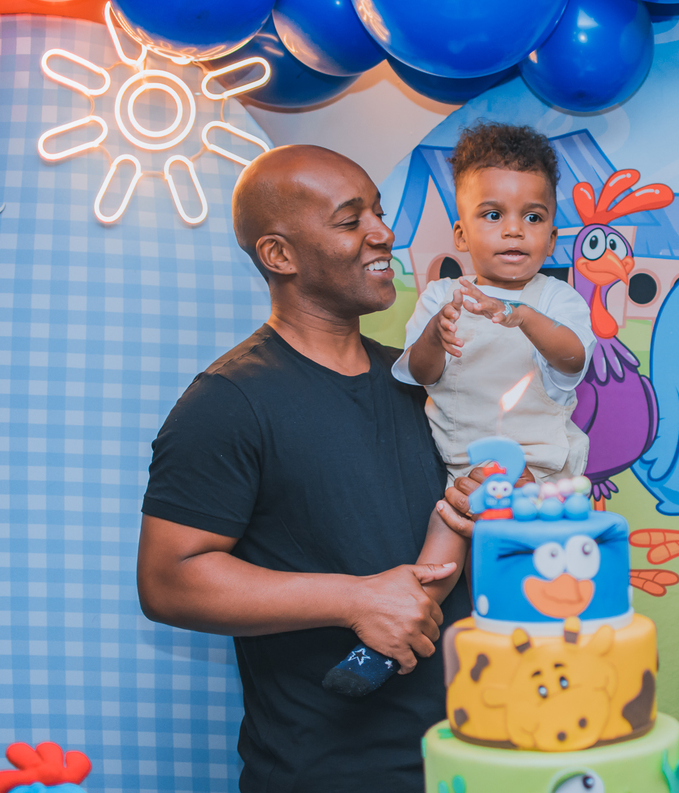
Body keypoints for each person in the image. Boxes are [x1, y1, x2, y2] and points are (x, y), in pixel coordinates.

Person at [136, 144, 471, 792]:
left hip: (468, 758)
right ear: (279, 255)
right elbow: (166, 580)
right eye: (351, 221)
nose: (383, 232)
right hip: (328, 774)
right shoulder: (228, 401)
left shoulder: (417, 381)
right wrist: (354, 598)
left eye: (376, 210)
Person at [394, 121, 596, 606]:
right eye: (492, 214)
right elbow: (420, 374)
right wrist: (435, 335)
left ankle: (512, 635)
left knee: (520, 576)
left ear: (551, 239)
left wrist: (520, 316)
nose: (512, 229)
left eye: (532, 217)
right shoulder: (445, 296)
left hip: (536, 473)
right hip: (463, 470)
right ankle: (395, 631)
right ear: (461, 235)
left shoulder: (557, 299)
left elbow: (573, 358)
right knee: (439, 558)